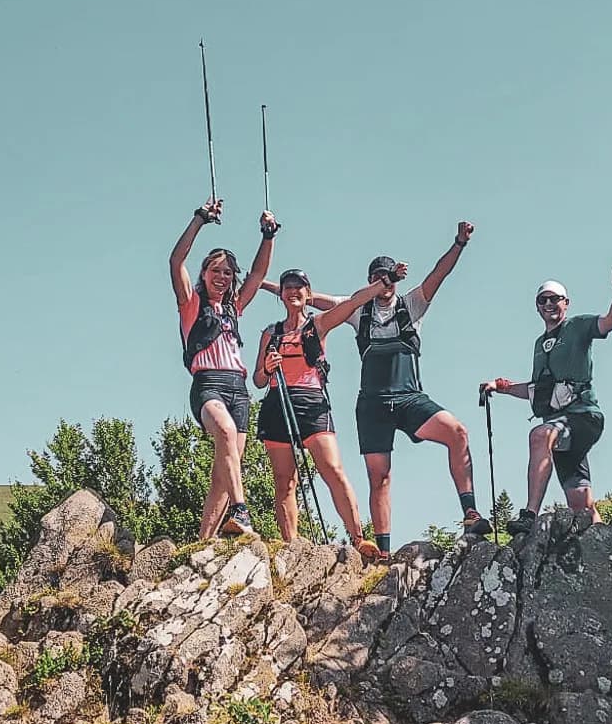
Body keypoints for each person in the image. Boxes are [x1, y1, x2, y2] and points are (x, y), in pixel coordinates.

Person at [291, 223, 483, 548]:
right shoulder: (359, 310)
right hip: (373, 405)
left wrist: (459, 243)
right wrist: (266, 286)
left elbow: (439, 274)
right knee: (379, 477)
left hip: (409, 398)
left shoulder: (412, 304)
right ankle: (382, 552)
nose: (384, 282)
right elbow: (315, 300)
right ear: (370, 281)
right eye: (378, 277)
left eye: (387, 275)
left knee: (457, 432)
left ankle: (471, 514)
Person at [251, 267, 393, 557]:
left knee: (332, 469)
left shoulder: (318, 324)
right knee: (284, 480)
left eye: (299, 287)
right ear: (281, 294)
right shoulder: (270, 333)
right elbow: (258, 380)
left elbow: (352, 304)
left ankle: (358, 538)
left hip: (312, 402)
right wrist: (267, 367)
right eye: (287, 287)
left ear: (308, 293)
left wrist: (382, 285)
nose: (293, 291)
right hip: (277, 402)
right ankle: (290, 544)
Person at [481, 261, 612, 528]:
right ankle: (607, 542)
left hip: (583, 416)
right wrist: (500, 387)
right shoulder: (540, 345)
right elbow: (538, 390)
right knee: (580, 503)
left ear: (566, 302)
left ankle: (529, 515)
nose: (549, 304)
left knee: (539, 435)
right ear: (537, 306)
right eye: (543, 300)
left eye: (555, 299)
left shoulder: (578, 326)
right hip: (560, 426)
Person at [169, 197, 278, 539]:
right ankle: (241, 511)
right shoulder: (192, 303)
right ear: (204, 274)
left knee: (224, 469)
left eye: (227, 272)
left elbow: (259, 274)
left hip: (239, 388)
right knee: (226, 434)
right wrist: (200, 219)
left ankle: (204, 540)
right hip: (208, 384)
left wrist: (268, 236)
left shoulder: (233, 307)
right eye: (215, 270)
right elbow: (176, 260)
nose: (221, 276)